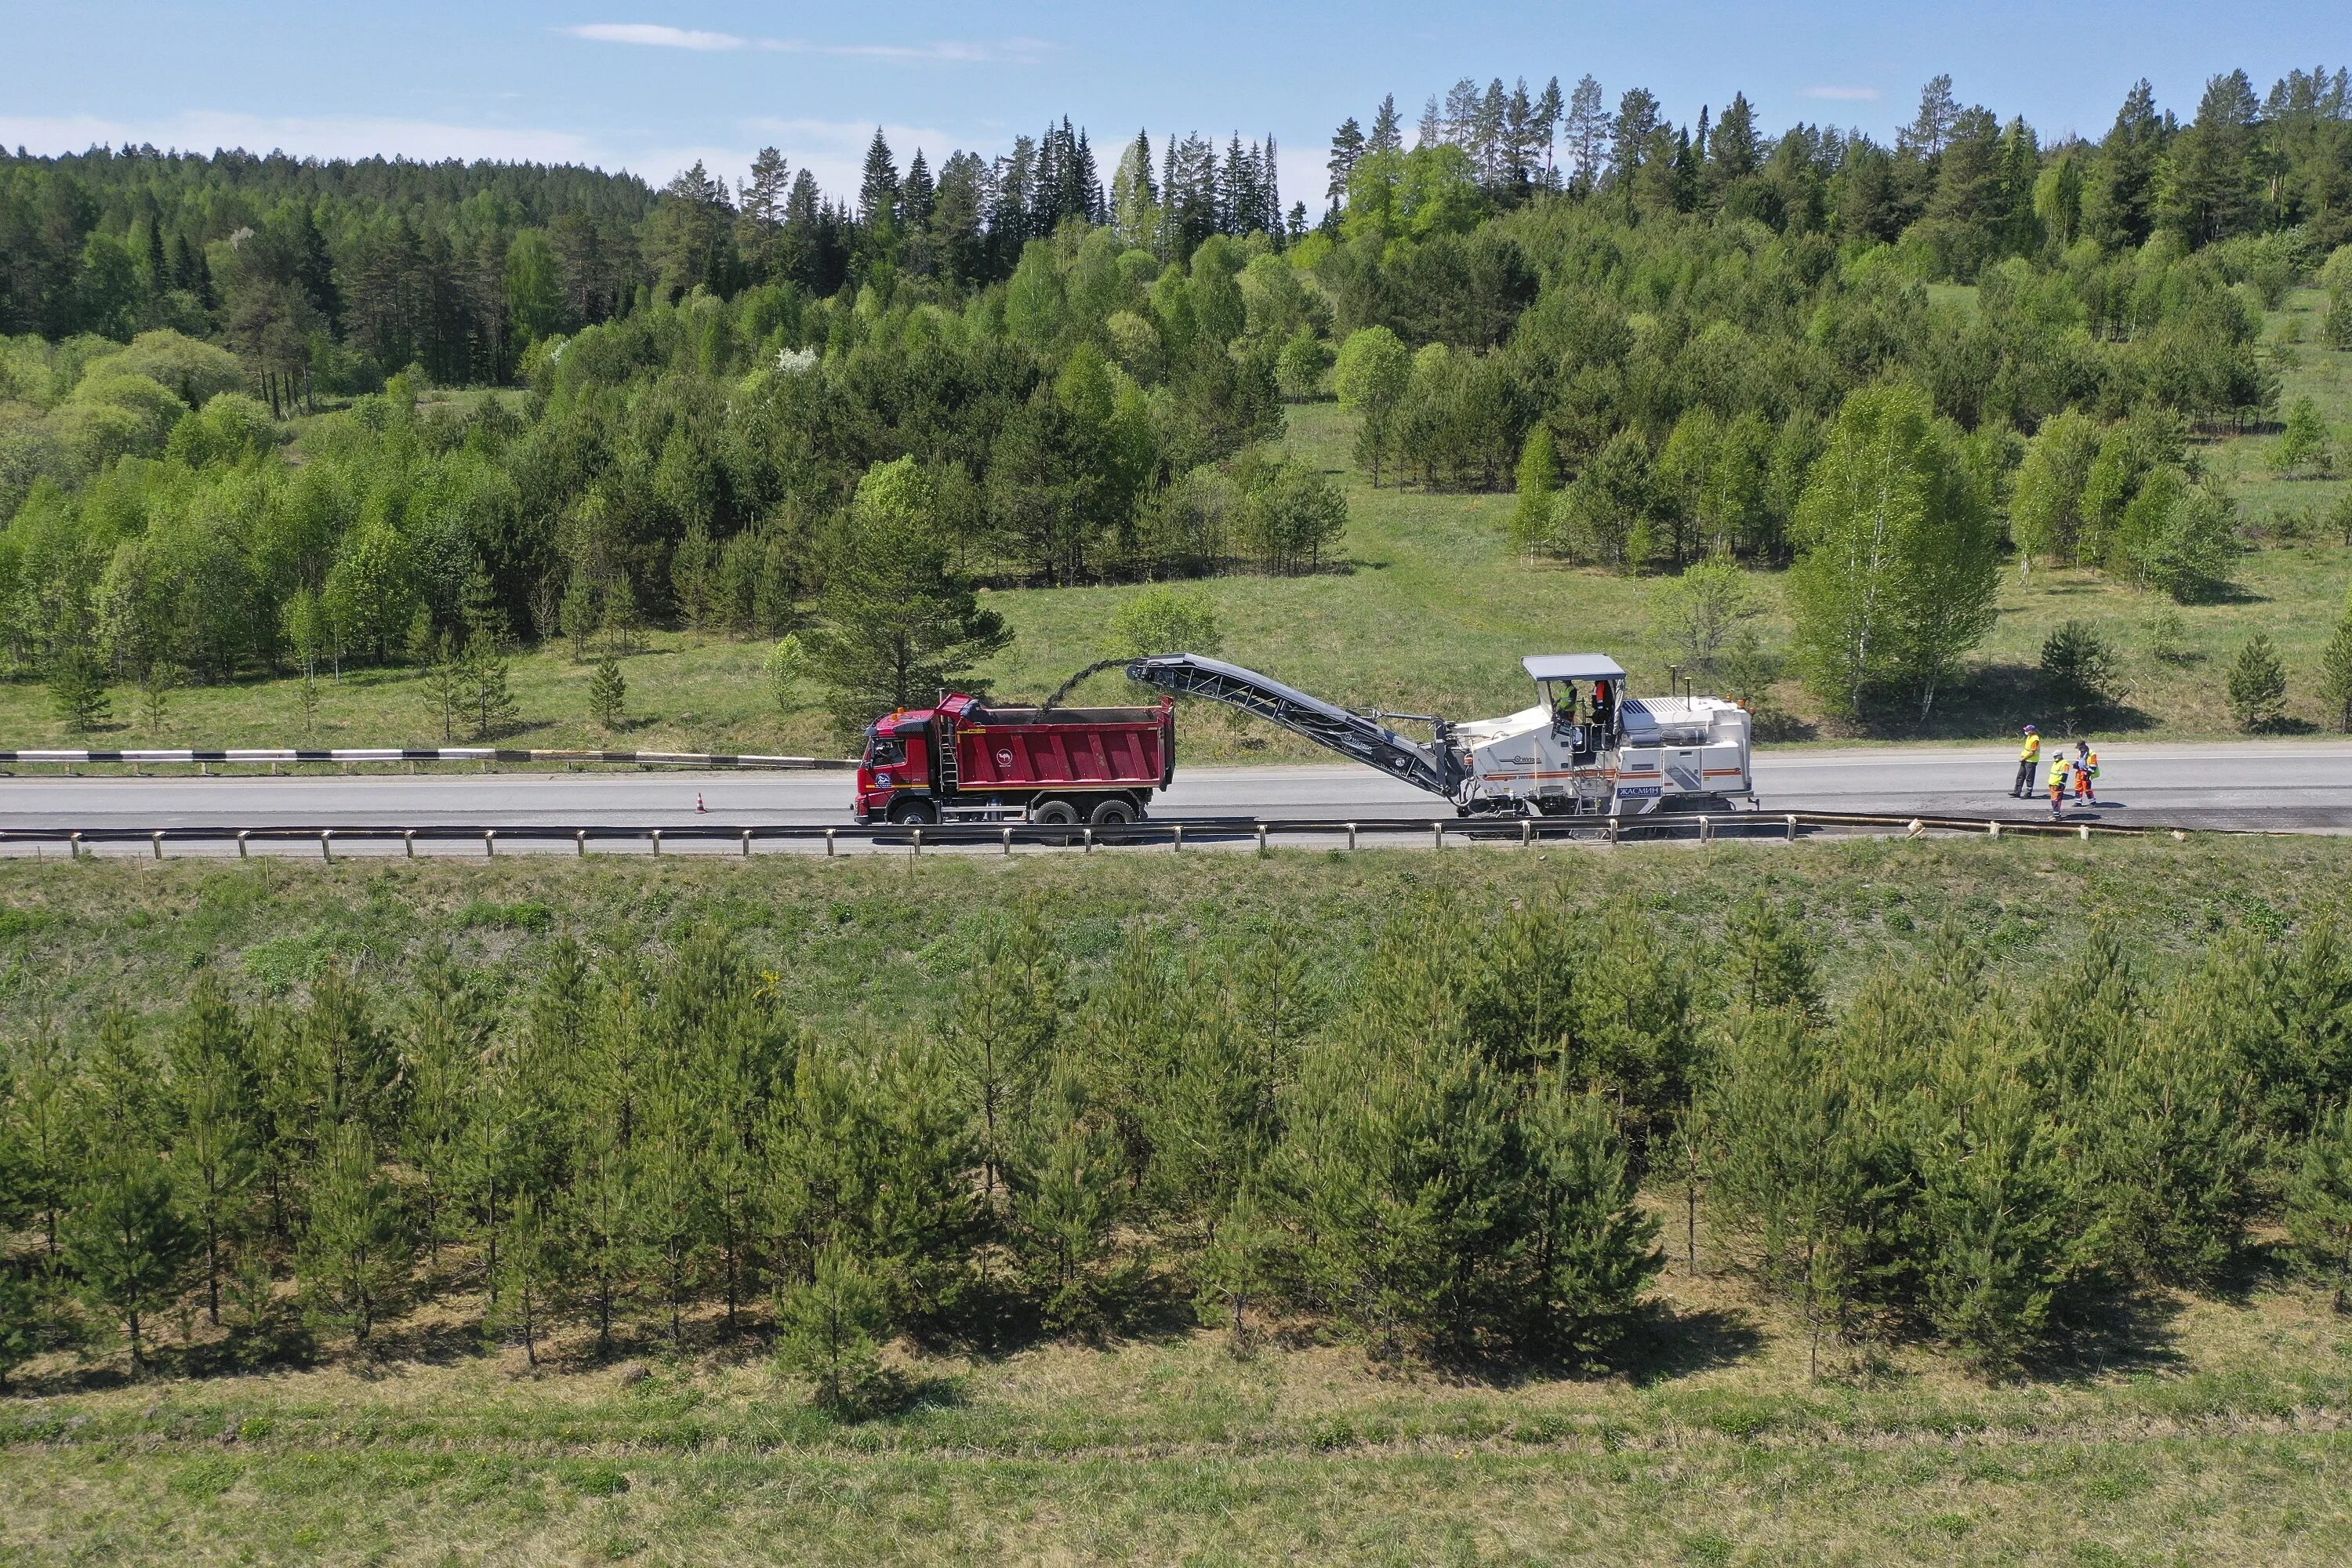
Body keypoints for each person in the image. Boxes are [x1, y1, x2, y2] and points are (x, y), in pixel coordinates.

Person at [2013, 725, 2041, 798]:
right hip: (2025, 759)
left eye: (2027, 730)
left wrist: (2024, 758)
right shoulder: (2029, 737)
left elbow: (2032, 752)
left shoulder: (2035, 739)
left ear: (2032, 731)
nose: (2026, 732)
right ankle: (2017, 792)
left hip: (2031, 761)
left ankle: (2029, 793)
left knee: (2029, 778)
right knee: (2020, 776)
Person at [2074, 739, 2099, 805]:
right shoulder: (2080, 752)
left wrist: (2088, 773)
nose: (2079, 749)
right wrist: (2076, 764)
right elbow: (2078, 759)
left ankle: (2092, 802)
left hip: (2086, 772)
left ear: (2084, 746)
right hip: (2079, 772)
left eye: (2080, 747)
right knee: (2078, 787)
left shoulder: (2092, 753)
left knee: (2087, 788)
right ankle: (2078, 802)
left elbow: (2093, 765)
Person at [2049, 753, 2071, 818]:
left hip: (2058, 785)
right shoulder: (2056, 762)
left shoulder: (2064, 764)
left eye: (2055, 756)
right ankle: (2056, 814)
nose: (2054, 758)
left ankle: (2057, 816)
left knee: (2057, 800)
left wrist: (2061, 783)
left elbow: (2065, 775)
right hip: (2053, 784)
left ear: (2059, 756)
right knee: (2054, 800)